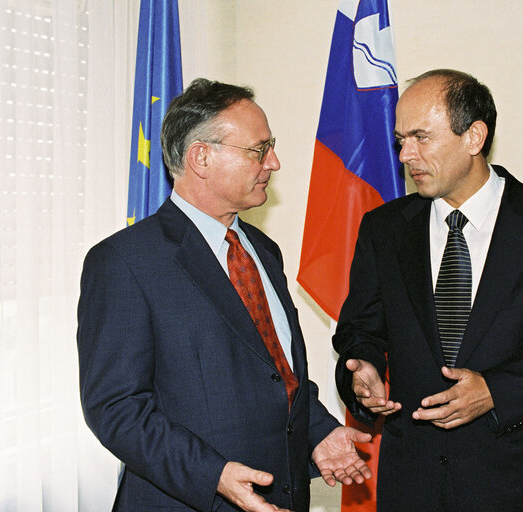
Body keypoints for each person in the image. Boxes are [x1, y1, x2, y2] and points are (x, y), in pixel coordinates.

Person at [77, 78, 372, 512]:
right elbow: (116, 408)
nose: (274, 162)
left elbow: (276, 372)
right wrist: (212, 475)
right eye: (259, 149)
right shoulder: (124, 261)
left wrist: (319, 433)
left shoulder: (263, 251)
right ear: (201, 157)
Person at [333, 69, 523, 512]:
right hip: (411, 483)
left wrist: (496, 391)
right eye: (400, 139)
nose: (405, 154)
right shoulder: (384, 229)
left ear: (474, 136)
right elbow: (359, 330)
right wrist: (362, 372)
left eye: (420, 137)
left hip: (514, 484)